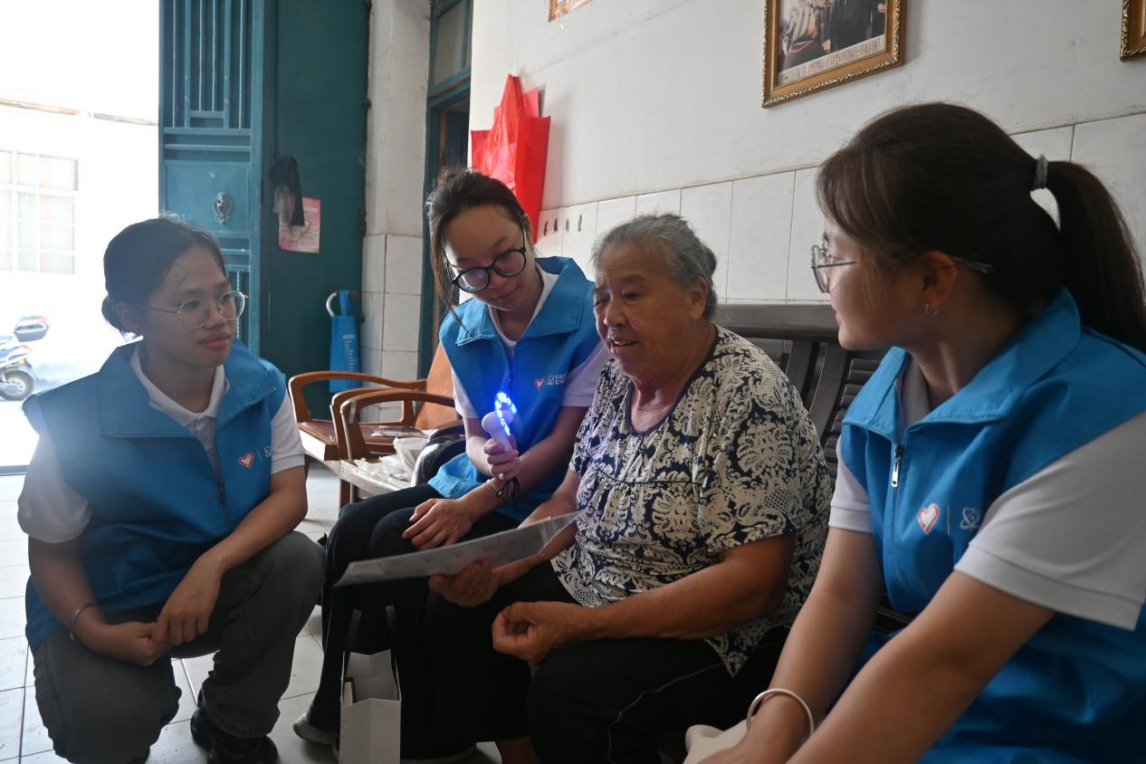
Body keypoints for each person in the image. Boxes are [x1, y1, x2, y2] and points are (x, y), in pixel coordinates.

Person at [694, 103, 1146, 763]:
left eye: (836, 255)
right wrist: (771, 731)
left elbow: (946, 665)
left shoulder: (1100, 414)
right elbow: (842, 595)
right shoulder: (887, 400)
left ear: (932, 277)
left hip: (1048, 738)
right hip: (933, 711)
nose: (826, 277)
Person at [426, 213, 833, 763]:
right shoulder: (620, 378)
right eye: (601, 299)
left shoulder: (747, 395)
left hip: (721, 631)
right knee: (462, 610)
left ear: (695, 297)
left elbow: (753, 586)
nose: (610, 317)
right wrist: (500, 565)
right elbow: (569, 500)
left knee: (570, 691)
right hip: (603, 578)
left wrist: (585, 628)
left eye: (632, 295)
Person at [294, 168, 607, 762]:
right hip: (477, 481)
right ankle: (340, 708)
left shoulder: (586, 318)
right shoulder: (462, 329)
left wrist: (473, 504)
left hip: (538, 496)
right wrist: (486, 460)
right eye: (472, 271)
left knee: (397, 540)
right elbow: (469, 438)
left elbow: (566, 445)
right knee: (350, 533)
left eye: (506, 257)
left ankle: (429, 726)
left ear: (526, 230)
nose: (495, 282)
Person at [18, 217, 324, 764]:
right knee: (111, 716)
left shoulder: (261, 385)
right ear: (129, 317)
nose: (218, 318)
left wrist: (210, 566)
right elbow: (50, 552)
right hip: (109, 601)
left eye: (225, 297)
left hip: (208, 588)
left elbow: (289, 495)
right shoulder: (77, 423)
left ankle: (232, 722)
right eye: (190, 305)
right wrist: (93, 630)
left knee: (298, 561)